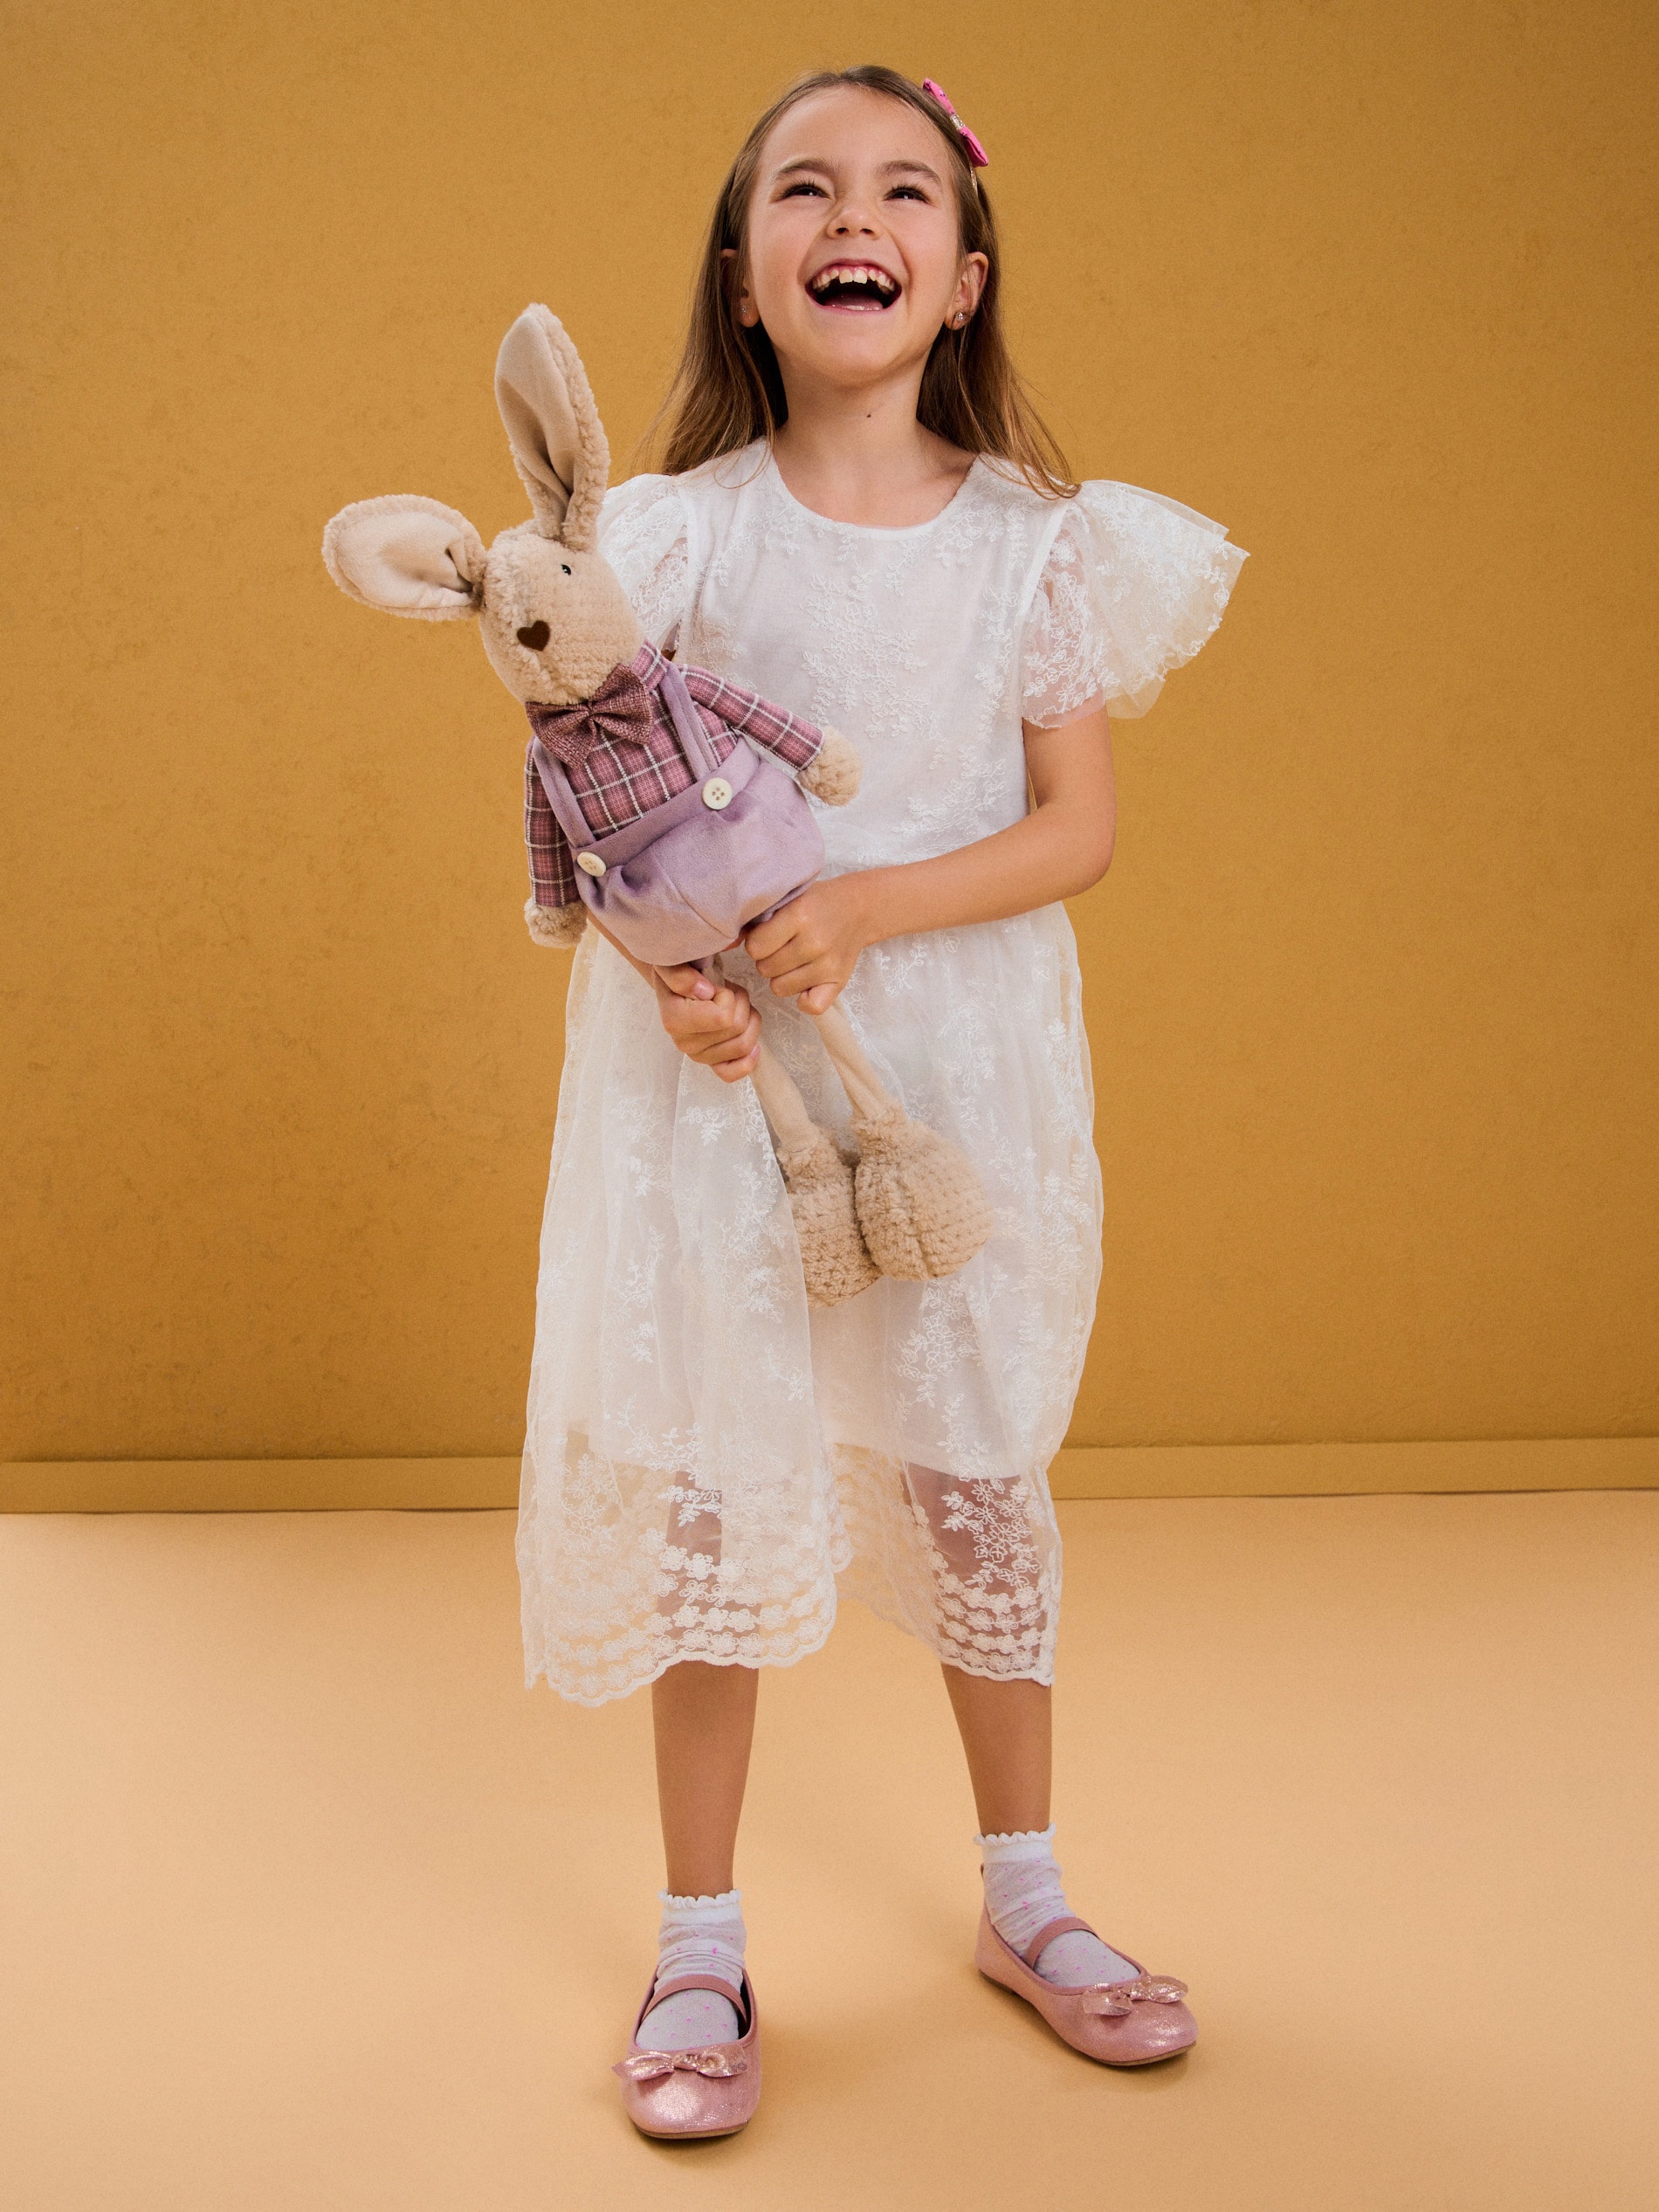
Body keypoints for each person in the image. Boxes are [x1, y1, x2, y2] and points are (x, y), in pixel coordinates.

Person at [516, 65, 1246, 2134]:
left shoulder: (1035, 546)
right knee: (712, 1474)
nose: (858, 217)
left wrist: (867, 900)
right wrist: (678, 987)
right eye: (808, 191)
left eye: (905, 190)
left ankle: (1026, 1894)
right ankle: (697, 1939)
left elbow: (1074, 824)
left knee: (971, 1457)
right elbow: (604, 792)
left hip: (950, 1070)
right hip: (727, 1086)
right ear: (743, 276)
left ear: (961, 276)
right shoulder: (674, 536)